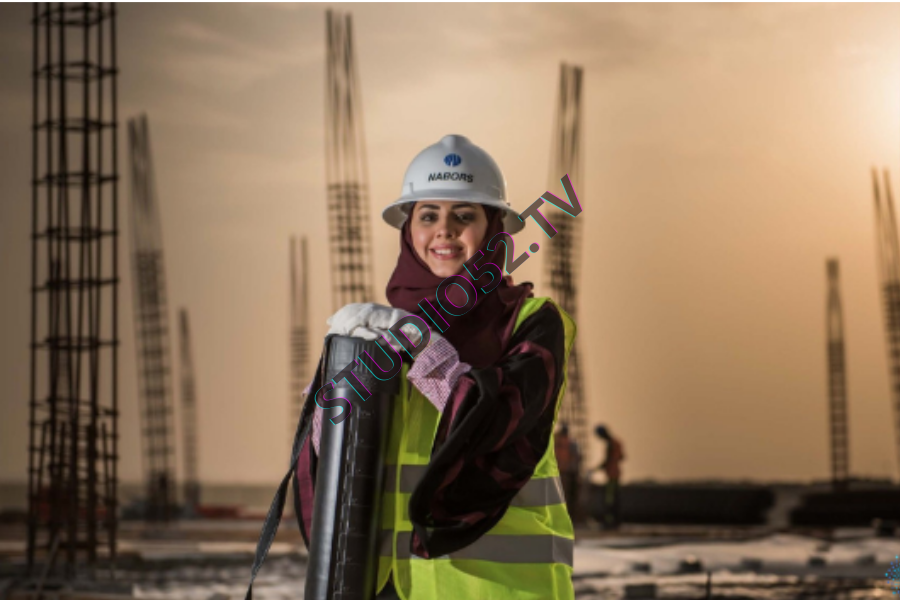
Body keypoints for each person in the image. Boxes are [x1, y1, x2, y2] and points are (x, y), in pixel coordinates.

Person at [293, 135, 578, 600]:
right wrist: (331, 395)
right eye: (428, 216)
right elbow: (333, 468)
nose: (444, 230)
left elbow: (497, 421)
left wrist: (425, 350)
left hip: (500, 590)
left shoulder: (534, 323)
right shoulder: (380, 331)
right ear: (409, 230)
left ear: (494, 228)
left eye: (464, 216)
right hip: (391, 585)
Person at [594, 424, 625, 530]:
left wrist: (596, 469)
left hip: (611, 475)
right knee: (615, 499)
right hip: (616, 474)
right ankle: (616, 522)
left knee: (609, 500)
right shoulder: (616, 442)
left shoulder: (611, 444)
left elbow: (607, 460)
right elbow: (622, 457)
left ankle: (609, 522)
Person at [554, 423, 582, 522]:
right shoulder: (569, 443)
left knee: (564, 496)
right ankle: (568, 517)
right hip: (566, 472)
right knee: (567, 497)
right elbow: (577, 458)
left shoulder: (558, 442)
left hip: (563, 472)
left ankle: (564, 517)